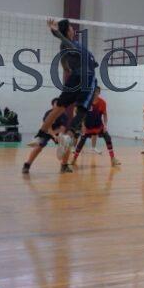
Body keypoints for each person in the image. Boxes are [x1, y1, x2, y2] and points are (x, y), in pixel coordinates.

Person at [27, 19, 97, 173]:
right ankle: (69, 134)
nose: (73, 29)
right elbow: (65, 42)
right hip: (87, 77)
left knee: (59, 107)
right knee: (83, 109)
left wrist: (68, 68)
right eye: (71, 28)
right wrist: (56, 31)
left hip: (75, 76)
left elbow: (64, 63)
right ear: (67, 32)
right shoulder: (68, 43)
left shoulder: (68, 46)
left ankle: (39, 135)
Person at [72, 87, 121, 167]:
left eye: (97, 92)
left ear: (99, 93)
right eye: (93, 92)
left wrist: (105, 125)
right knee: (81, 142)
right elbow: (82, 114)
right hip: (88, 127)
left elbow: (105, 115)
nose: (95, 93)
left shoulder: (102, 102)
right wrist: (83, 126)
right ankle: (74, 159)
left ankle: (113, 159)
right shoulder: (87, 102)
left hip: (99, 126)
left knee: (108, 138)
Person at [23, 99, 71, 174]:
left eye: (60, 104)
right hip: (46, 131)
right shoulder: (48, 113)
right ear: (53, 105)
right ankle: (27, 165)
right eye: (57, 104)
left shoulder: (64, 115)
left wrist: (57, 136)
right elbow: (48, 128)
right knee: (39, 147)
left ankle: (64, 166)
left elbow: (62, 129)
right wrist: (53, 135)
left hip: (57, 132)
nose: (59, 106)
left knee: (67, 146)